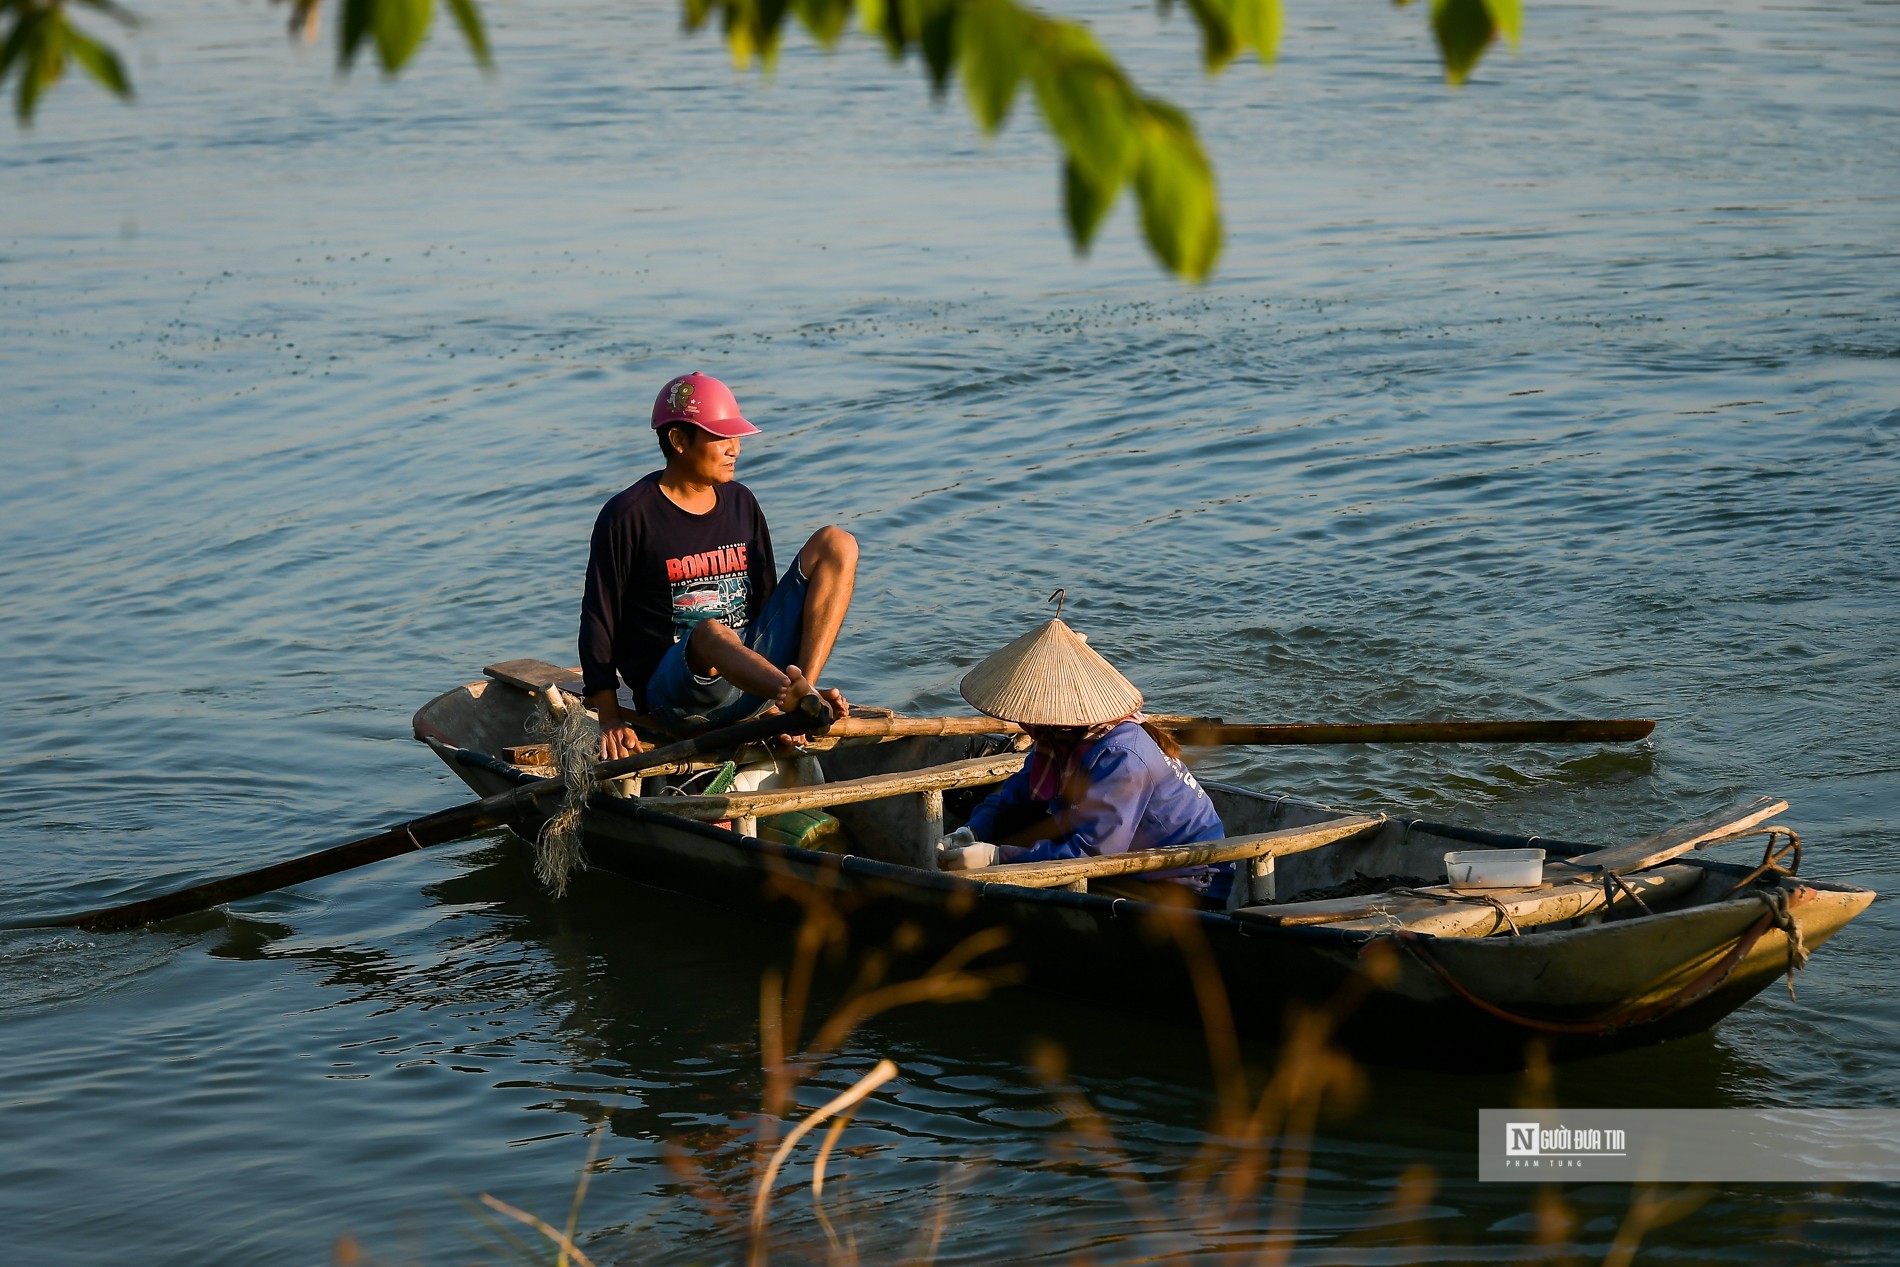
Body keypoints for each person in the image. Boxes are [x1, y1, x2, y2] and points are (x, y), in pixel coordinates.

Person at [578, 371, 857, 759]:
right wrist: (609, 717)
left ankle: (799, 696)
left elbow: (764, 603)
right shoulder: (629, 515)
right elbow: (598, 620)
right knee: (709, 632)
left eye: (736, 437)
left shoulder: (742, 503)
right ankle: (791, 696)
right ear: (678, 440)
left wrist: (777, 693)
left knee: (837, 543)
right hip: (677, 698)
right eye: (721, 438)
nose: (735, 449)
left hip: (755, 682)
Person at [938, 616, 1231, 901]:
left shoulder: (1120, 755)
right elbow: (1013, 797)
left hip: (1183, 883)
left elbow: (1095, 854)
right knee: (1010, 820)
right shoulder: (1057, 745)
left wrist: (997, 858)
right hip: (1125, 858)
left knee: (1038, 882)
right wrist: (972, 830)